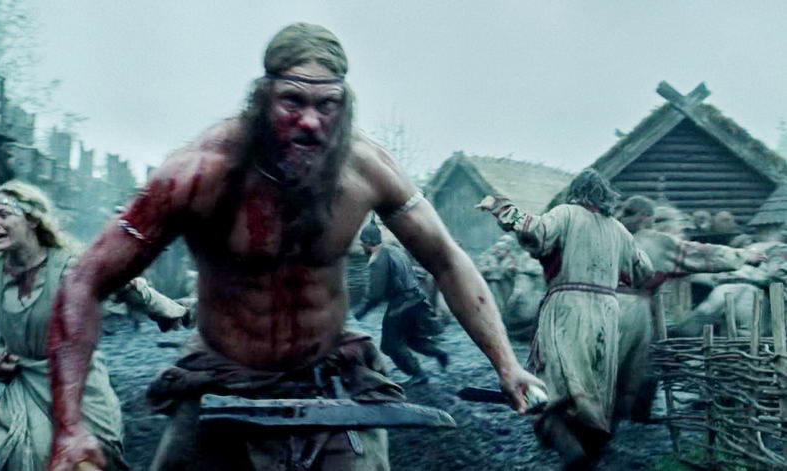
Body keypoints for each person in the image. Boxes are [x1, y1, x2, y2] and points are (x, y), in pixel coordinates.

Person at [46, 23, 543, 471]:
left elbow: (447, 260)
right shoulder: (197, 174)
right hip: (222, 379)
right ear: (262, 98)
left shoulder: (367, 169)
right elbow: (85, 281)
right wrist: (70, 427)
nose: (310, 121)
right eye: (292, 101)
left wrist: (508, 365)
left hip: (331, 375)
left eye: (327, 105)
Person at [0, 181, 190, 471]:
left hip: (81, 387)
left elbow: (126, 283)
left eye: (3, 214)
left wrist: (172, 310)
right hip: (25, 388)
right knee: (23, 457)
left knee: (90, 458)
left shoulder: (72, 266)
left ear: (32, 219)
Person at [477, 168, 654, 470]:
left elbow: (533, 229)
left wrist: (499, 206)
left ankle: (570, 448)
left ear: (577, 192)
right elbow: (644, 270)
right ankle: (589, 439)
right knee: (594, 382)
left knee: (554, 380)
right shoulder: (619, 230)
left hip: (568, 307)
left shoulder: (566, 214)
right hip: (608, 313)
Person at [614, 195, 765, 422]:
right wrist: (743, 256)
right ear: (647, 218)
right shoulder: (654, 241)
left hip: (589, 304)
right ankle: (630, 418)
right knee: (642, 364)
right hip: (632, 308)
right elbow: (700, 254)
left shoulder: (606, 233)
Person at [353, 218, 449, 386]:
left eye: (362, 243)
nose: (362, 246)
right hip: (418, 300)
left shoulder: (377, 260)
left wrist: (361, 311)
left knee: (391, 344)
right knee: (412, 338)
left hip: (401, 306)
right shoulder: (395, 250)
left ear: (367, 242)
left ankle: (417, 373)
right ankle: (439, 353)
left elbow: (376, 294)